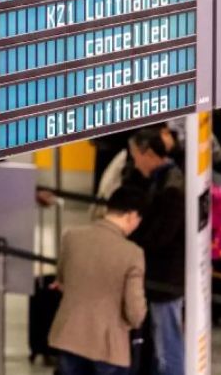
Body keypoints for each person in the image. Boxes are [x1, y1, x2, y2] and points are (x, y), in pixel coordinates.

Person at [49, 186, 148, 375]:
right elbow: (135, 312)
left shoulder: (72, 237)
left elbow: (61, 281)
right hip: (109, 345)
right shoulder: (132, 253)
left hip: (69, 336)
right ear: (131, 216)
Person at [127, 127, 186, 375]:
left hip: (165, 276)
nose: (133, 162)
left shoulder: (171, 188)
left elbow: (161, 235)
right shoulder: (159, 180)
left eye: (135, 156)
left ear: (149, 153)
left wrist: (134, 238)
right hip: (161, 274)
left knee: (167, 343)